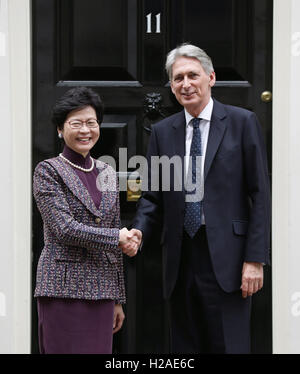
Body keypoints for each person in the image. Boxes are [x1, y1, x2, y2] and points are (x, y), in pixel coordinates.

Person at [130, 43, 271, 354]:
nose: (185, 84)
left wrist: (255, 259)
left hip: (230, 260)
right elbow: (153, 196)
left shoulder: (242, 122)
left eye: (192, 75)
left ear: (211, 77)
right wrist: (139, 231)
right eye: (178, 78)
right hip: (180, 261)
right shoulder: (163, 132)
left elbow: (260, 193)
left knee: (229, 346)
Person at [33, 87, 139, 354]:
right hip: (62, 290)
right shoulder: (48, 171)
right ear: (60, 129)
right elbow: (65, 229)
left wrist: (117, 299)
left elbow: (113, 234)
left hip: (102, 292)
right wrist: (117, 237)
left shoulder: (107, 172)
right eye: (76, 123)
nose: (85, 130)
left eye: (91, 123)